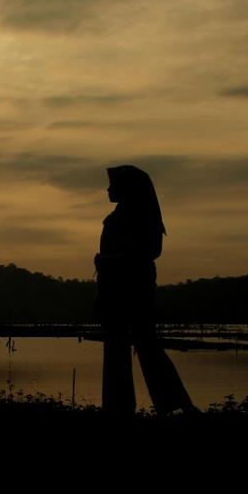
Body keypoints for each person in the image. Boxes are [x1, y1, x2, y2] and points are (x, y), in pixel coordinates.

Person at [94, 165, 198, 415]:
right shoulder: (122, 216)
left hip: (134, 288)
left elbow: (148, 252)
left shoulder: (141, 217)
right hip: (116, 290)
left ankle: (175, 403)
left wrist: (107, 261)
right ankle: (118, 408)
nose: (108, 189)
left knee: (145, 345)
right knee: (118, 347)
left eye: (113, 185)